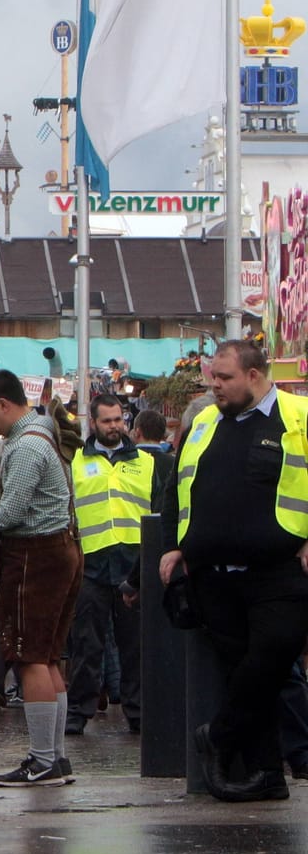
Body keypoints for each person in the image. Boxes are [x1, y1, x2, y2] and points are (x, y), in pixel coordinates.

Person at [161, 340, 308, 801]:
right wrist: (173, 546)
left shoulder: (298, 417)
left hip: (278, 570)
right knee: (242, 671)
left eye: (224, 378)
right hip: (214, 574)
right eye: (213, 377)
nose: (215, 386)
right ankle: (266, 773)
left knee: (272, 656)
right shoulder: (205, 422)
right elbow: (177, 487)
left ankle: (219, 736)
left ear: (255, 375)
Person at [0, 371, 80, 788]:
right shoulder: (43, 435)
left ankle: (42, 761)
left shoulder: (25, 446)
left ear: (4, 404)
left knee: (30, 656)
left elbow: (11, 512)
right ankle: (56, 757)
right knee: (50, 656)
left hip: (34, 554)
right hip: (61, 549)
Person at [64, 393, 151, 736]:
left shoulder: (146, 462)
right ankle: (78, 711)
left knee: (135, 646)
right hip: (92, 564)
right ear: (94, 423)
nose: (115, 426)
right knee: (86, 644)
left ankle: (139, 711)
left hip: (134, 566)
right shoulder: (74, 463)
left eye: (119, 420)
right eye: (107, 421)